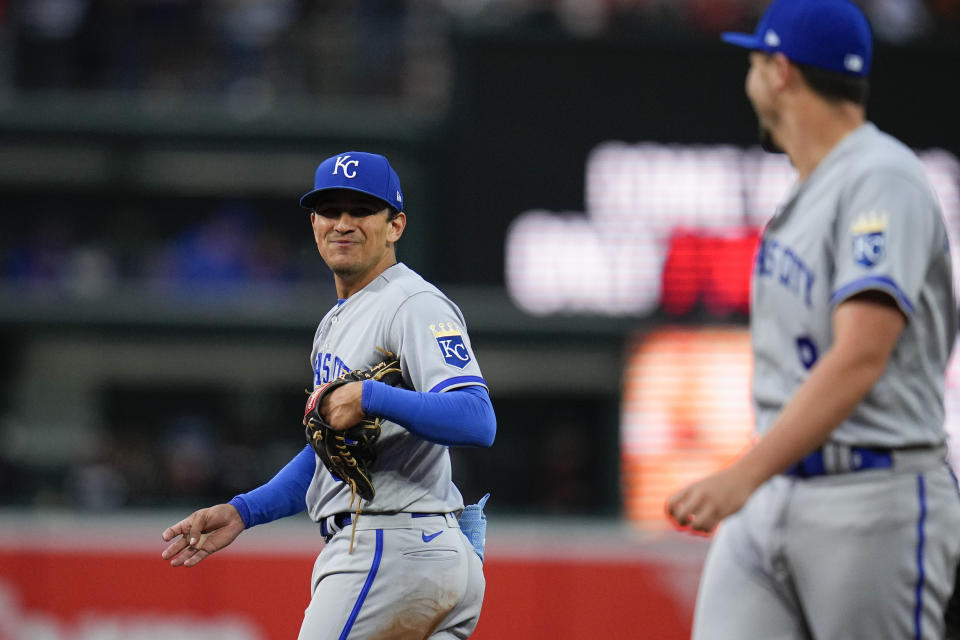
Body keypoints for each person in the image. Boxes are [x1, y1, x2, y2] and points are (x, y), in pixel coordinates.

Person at [666, 1, 960, 638]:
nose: (748, 79)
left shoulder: (883, 177)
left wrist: (741, 474)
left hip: (870, 496)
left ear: (780, 71)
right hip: (772, 492)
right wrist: (756, 478)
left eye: (753, 61)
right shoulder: (808, 189)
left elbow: (861, 354)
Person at [161, 151, 497, 639]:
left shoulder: (412, 303)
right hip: (423, 554)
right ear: (313, 223)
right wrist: (244, 511)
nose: (343, 223)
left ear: (395, 225)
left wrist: (370, 396)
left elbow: (477, 418)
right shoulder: (336, 322)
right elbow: (325, 461)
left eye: (361, 210)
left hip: (389, 548)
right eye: (329, 211)